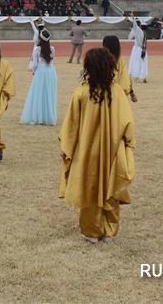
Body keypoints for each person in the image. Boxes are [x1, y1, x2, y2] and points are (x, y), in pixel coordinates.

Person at [58, 48, 136, 243]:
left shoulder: (81, 93)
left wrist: (67, 149)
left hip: (87, 152)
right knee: (111, 186)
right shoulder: (117, 92)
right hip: (113, 150)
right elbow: (127, 123)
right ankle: (109, 231)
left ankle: (91, 231)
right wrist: (128, 144)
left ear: (88, 67)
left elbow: (71, 126)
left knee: (89, 187)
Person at [21, 28, 58, 125]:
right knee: (49, 93)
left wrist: (34, 71)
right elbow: (52, 59)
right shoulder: (52, 49)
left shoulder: (37, 49)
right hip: (51, 71)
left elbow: (34, 64)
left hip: (41, 71)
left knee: (38, 93)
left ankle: (38, 116)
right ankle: (48, 116)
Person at [102, 36, 138, 103]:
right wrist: (132, 94)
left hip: (102, 94)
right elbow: (126, 79)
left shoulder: (99, 59)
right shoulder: (119, 61)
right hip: (117, 95)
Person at [127, 17, 149, 83]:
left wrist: (133, 19)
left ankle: (137, 76)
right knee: (143, 63)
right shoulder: (143, 33)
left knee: (135, 62)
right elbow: (135, 25)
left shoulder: (139, 32)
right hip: (142, 49)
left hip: (137, 50)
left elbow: (135, 26)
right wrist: (133, 19)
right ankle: (143, 77)